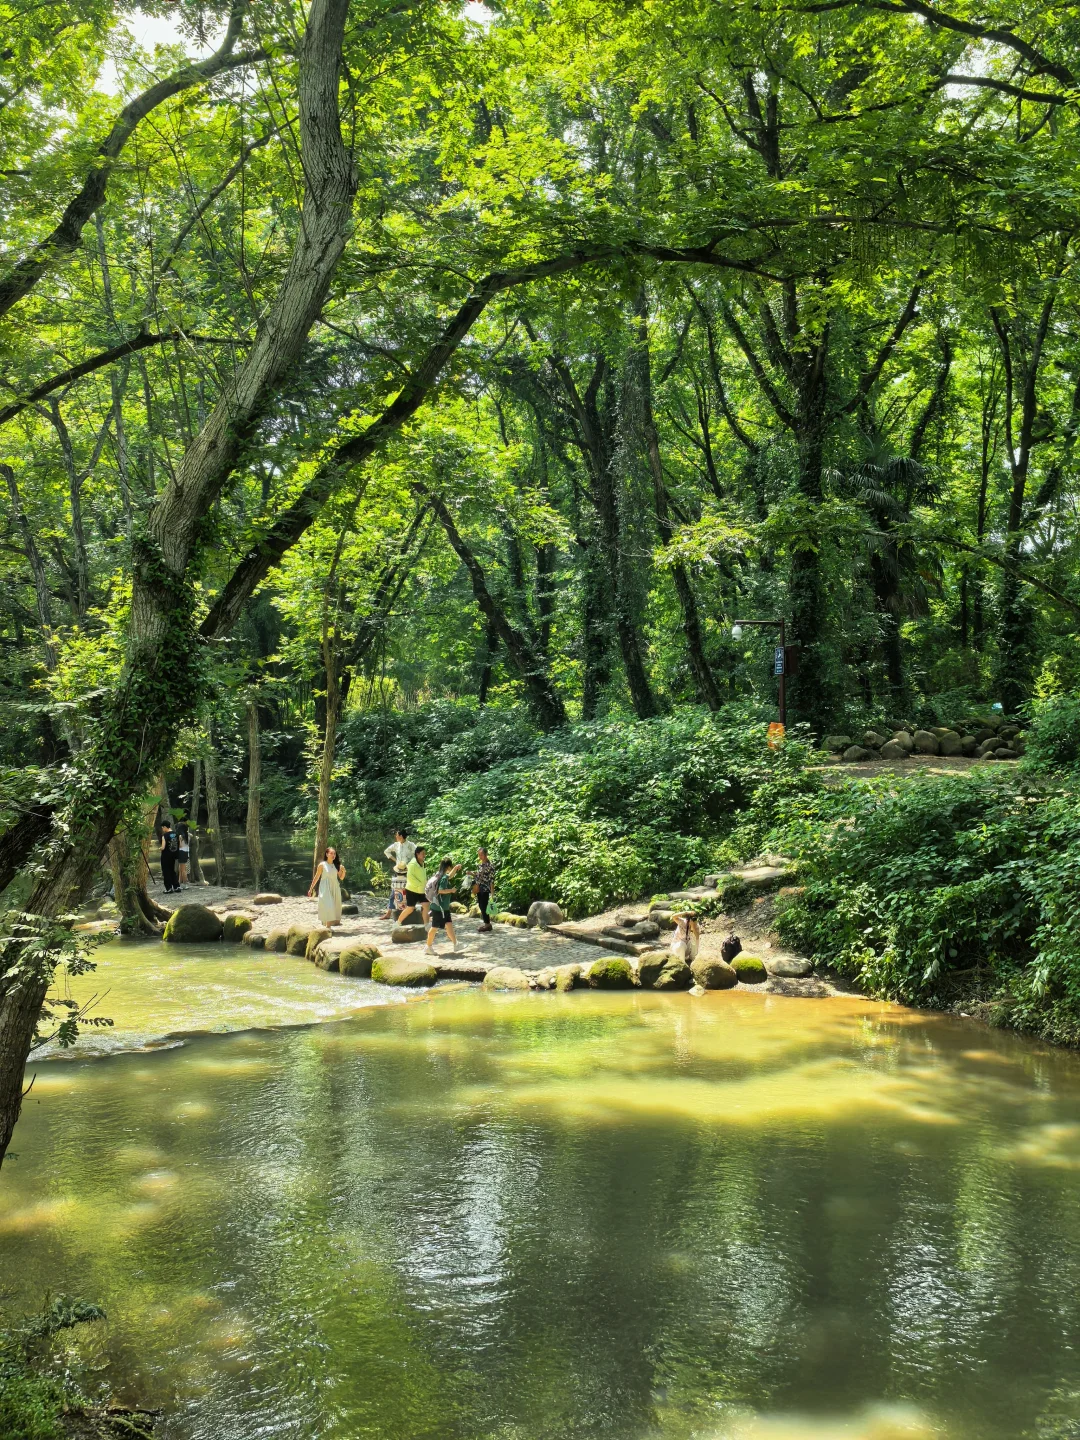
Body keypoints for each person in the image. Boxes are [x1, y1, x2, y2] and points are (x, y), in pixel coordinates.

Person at [425, 856, 462, 954]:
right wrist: (451, 890)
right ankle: (428, 947)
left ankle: (456, 944)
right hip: (439, 908)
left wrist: (456, 868)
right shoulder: (444, 877)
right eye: (451, 866)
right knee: (434, 928)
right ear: (448, 866)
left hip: (441, 907)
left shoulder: (439, 875)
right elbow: (440, 890)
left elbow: (450, 875)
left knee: (449, 925)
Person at [381, 827, 415, 920]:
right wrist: (395, 860)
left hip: (408, 870)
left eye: (397, 835)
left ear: (401, 836)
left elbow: (417, 854)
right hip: (398, 870)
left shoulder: (411, 845)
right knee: (394, 890)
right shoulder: (396, 845)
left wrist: (410, 863)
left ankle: (409, 910)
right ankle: (389, 912)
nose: (395, 836)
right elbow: (386, 851)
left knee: (409, 891)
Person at [308, 845, 346, 926]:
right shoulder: (322, 865)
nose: (333, 855)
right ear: (327, 854)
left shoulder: (336, 865)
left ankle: (328, 923)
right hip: (325, 888)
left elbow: (341, 878)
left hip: (335, 887)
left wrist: (343, 871)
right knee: (329, 905)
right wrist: (311, 889)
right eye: (331, 853)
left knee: (336, 906)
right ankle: (327, 927)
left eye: (334, 854)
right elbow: (317, 877)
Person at [397, 845, 429, 928]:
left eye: (424, 853)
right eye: (423, 853)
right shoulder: (412, 864)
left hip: (422, 890)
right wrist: (420, 884)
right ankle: (398, 922)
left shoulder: (423, 863)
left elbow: (423, 876)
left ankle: (426, 926)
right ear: (417, 854)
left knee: (426, 906)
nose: (424, 855)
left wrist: (426, 883)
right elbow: (410, 877)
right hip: (412, 889)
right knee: (410, 908)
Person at [472, 847, 496, 933]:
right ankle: (486, 923)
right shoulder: (480, 865)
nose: (480, 856)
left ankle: (487, 924)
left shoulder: (490, 866)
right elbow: (478, 876)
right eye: (479, 855)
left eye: (481, 854)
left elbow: (492, 880)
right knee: (481, 906)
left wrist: (492, 893)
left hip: (485, 889)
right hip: (479, 888)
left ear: (486, 854)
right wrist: (471, 873)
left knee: (484, 906)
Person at [160, 818, 180, 894]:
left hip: (166, 856)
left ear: (165, 827)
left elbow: (163, 847)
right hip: (173, 856)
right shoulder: (176, 834)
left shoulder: (165, 836)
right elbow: (180, 845)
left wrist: (160, 848)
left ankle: (168, 888)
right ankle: (176, 886)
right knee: (172, 871)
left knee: (166, 871)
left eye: (162, 827)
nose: (162, 829)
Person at [176, 821, 190, 888]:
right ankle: (179, 883)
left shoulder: (180, 836)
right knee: (181, 868)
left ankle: (185, 884)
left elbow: (180, 846)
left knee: (183, 869)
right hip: (186, 853)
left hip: (181, 852)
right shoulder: (187, 835)